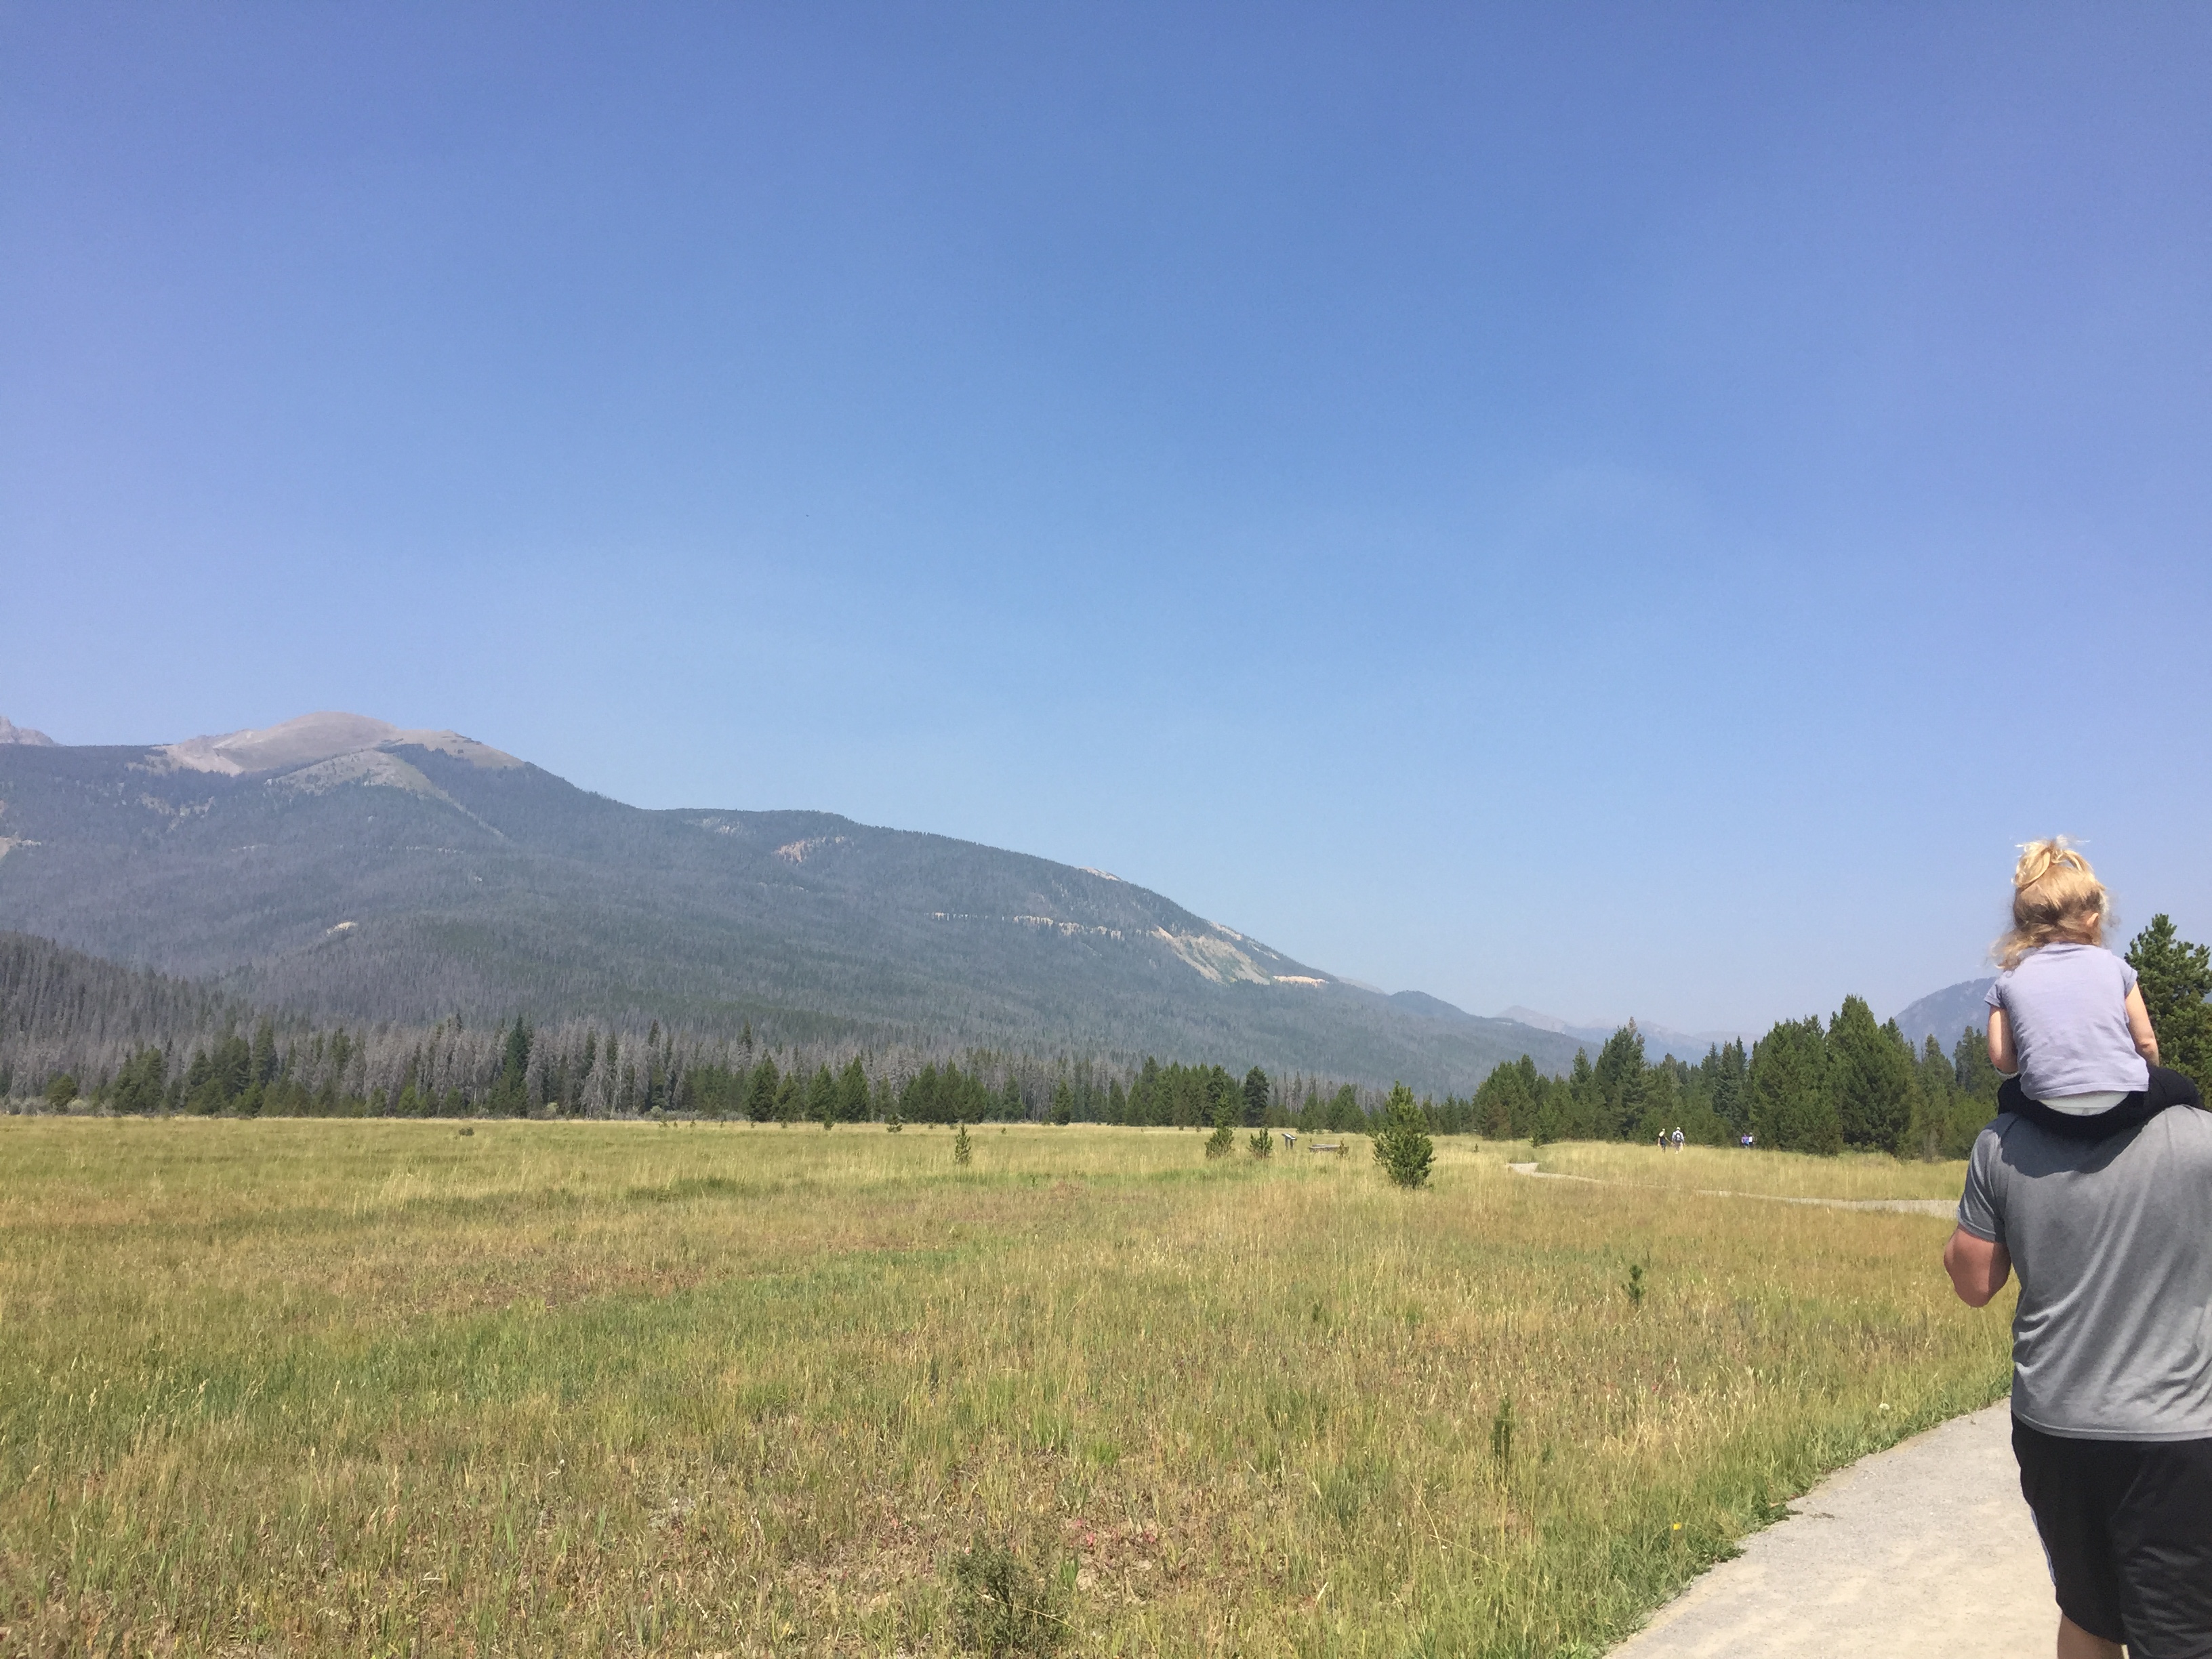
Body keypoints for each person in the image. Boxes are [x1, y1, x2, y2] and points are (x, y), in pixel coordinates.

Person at [1944, 838, 2211, 1659]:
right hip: (2179, 1432)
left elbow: (1974, 1283)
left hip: (2057, 1424)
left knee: (2091, 1617)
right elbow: (2152, 1053)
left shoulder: (2001, 1147)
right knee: (2183, 1635)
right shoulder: (2199, 1140)